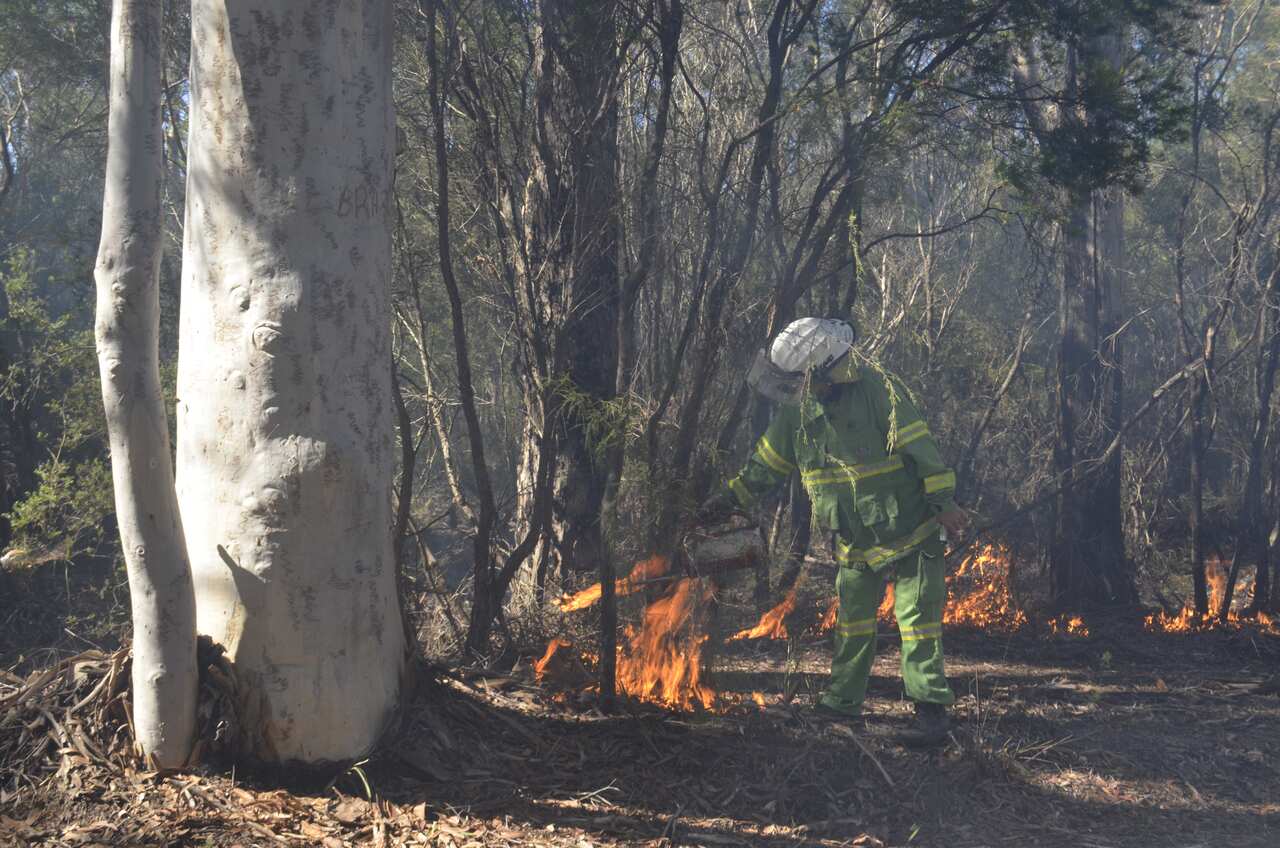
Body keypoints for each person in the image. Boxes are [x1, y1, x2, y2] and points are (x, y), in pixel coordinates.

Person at [700, 317, 967, 746]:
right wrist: (729, 501)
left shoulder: (879, 388)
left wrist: (944, 504)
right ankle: (842, 703)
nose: (794, 389)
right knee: (853, 623)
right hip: (855, 538)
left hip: (914, 529)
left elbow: (922, 449)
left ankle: (930, 711)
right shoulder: (797, 411)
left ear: (825, 369)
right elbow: (766, 466)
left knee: (916, 622)